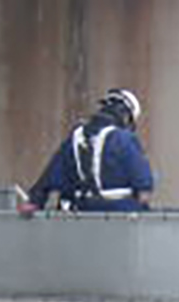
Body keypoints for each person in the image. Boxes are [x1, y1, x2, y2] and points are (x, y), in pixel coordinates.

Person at [21, 89, 154, 214]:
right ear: (126, 116)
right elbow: (143, 184)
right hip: (121, 217)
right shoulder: (124, 139)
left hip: (82, 214)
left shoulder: (76, 137)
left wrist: (35, 201)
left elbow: (51, 176)